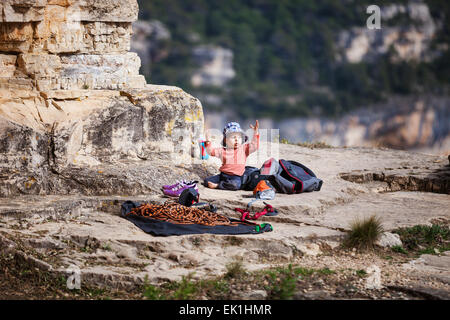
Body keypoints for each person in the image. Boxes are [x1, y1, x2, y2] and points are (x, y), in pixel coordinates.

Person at [204, 120, 259, 190]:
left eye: (239, 137)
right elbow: (210, 151)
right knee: (206, 181)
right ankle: (223, 183)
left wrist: (256, 132)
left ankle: (218, 186)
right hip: (223, 175)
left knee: (235, 185)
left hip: (236, 177)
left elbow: (255, 146)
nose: (236, 140)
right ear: (226, 140)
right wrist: (208, 141)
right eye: (233, 137)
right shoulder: (222, 151)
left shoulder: (244, 149)